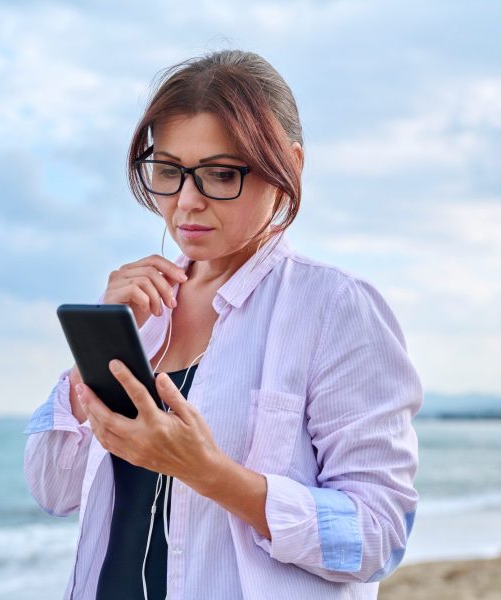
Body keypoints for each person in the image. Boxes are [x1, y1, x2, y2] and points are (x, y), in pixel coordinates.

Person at [23, 49, 422, 600]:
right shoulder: (140, 310)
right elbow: (53, 489)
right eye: (168, 171)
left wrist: (209, 472)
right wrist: (91, 355)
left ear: (290, 165)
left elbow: (378, 536)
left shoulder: (335, 307)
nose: (186, 202)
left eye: (220, 174)